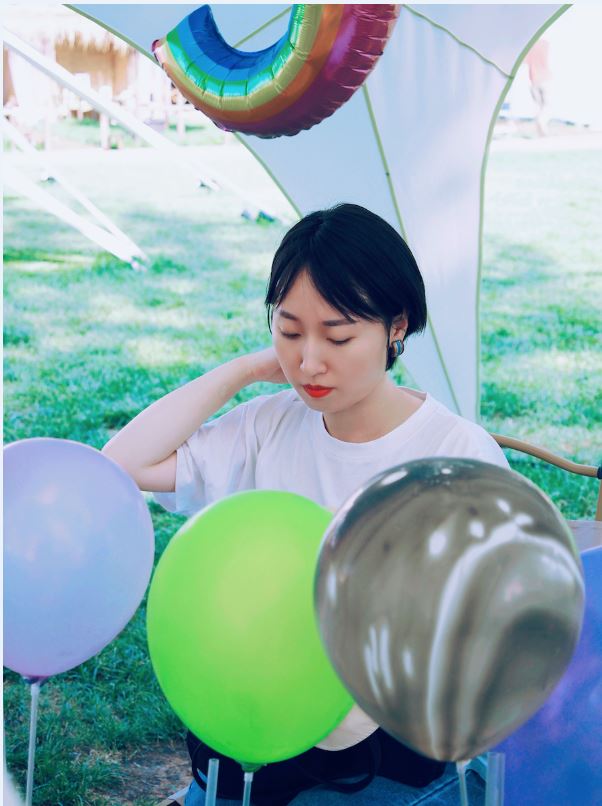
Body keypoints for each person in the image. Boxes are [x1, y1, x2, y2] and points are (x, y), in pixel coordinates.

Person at [103, 203, 506, 805]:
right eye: (290, 332)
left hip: (387, 751)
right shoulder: (269, 424)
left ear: (396, 327)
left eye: (338, 336)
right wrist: (243, 371)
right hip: (252, 726)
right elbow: (120, 465)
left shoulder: (454, 454)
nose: (309, 362)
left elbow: (487, 639)